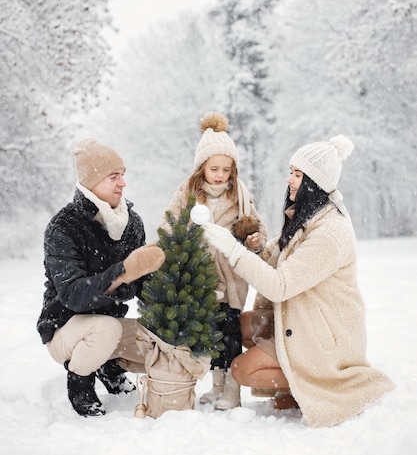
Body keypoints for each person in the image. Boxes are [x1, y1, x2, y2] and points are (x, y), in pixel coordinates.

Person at [202, 135, 395, 427]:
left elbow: (280, 285)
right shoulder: (308, 217)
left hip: (322, 338)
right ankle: (291, 377)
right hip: (300, 320)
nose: (289, 180)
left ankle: (311, 385)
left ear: (314, 182)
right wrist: (252, 249)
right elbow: (274, 258)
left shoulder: (329, 234)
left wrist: (230, 250)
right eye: (291, 172)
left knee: (241, 370)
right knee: (236, 326)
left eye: (297, 174)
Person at [37, 138, 165, 417]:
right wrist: (122, 273)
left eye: (123, 175)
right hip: (65, 329)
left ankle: (109, 365)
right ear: (91, 182)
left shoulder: (132, 224)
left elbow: (143, 285)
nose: (123, 183)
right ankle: (80, 382)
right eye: (113, 177)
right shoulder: (64, 227)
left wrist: (166, 299)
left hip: (111, 325)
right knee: (105, 330)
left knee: (162, 340)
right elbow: (73, 296)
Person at [160, 112, 268, 410]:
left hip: (232, 275)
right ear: (202, 168)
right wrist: (176, 246)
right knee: (209, 333)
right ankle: (217, 385)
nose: (220, 175)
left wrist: (254, 240)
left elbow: (256, 226)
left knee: (230, 330)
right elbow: (169, 223)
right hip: (200, 274)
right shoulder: (188, 192)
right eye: (214, 168)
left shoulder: (240, 193)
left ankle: (233, 390)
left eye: (226, 169)